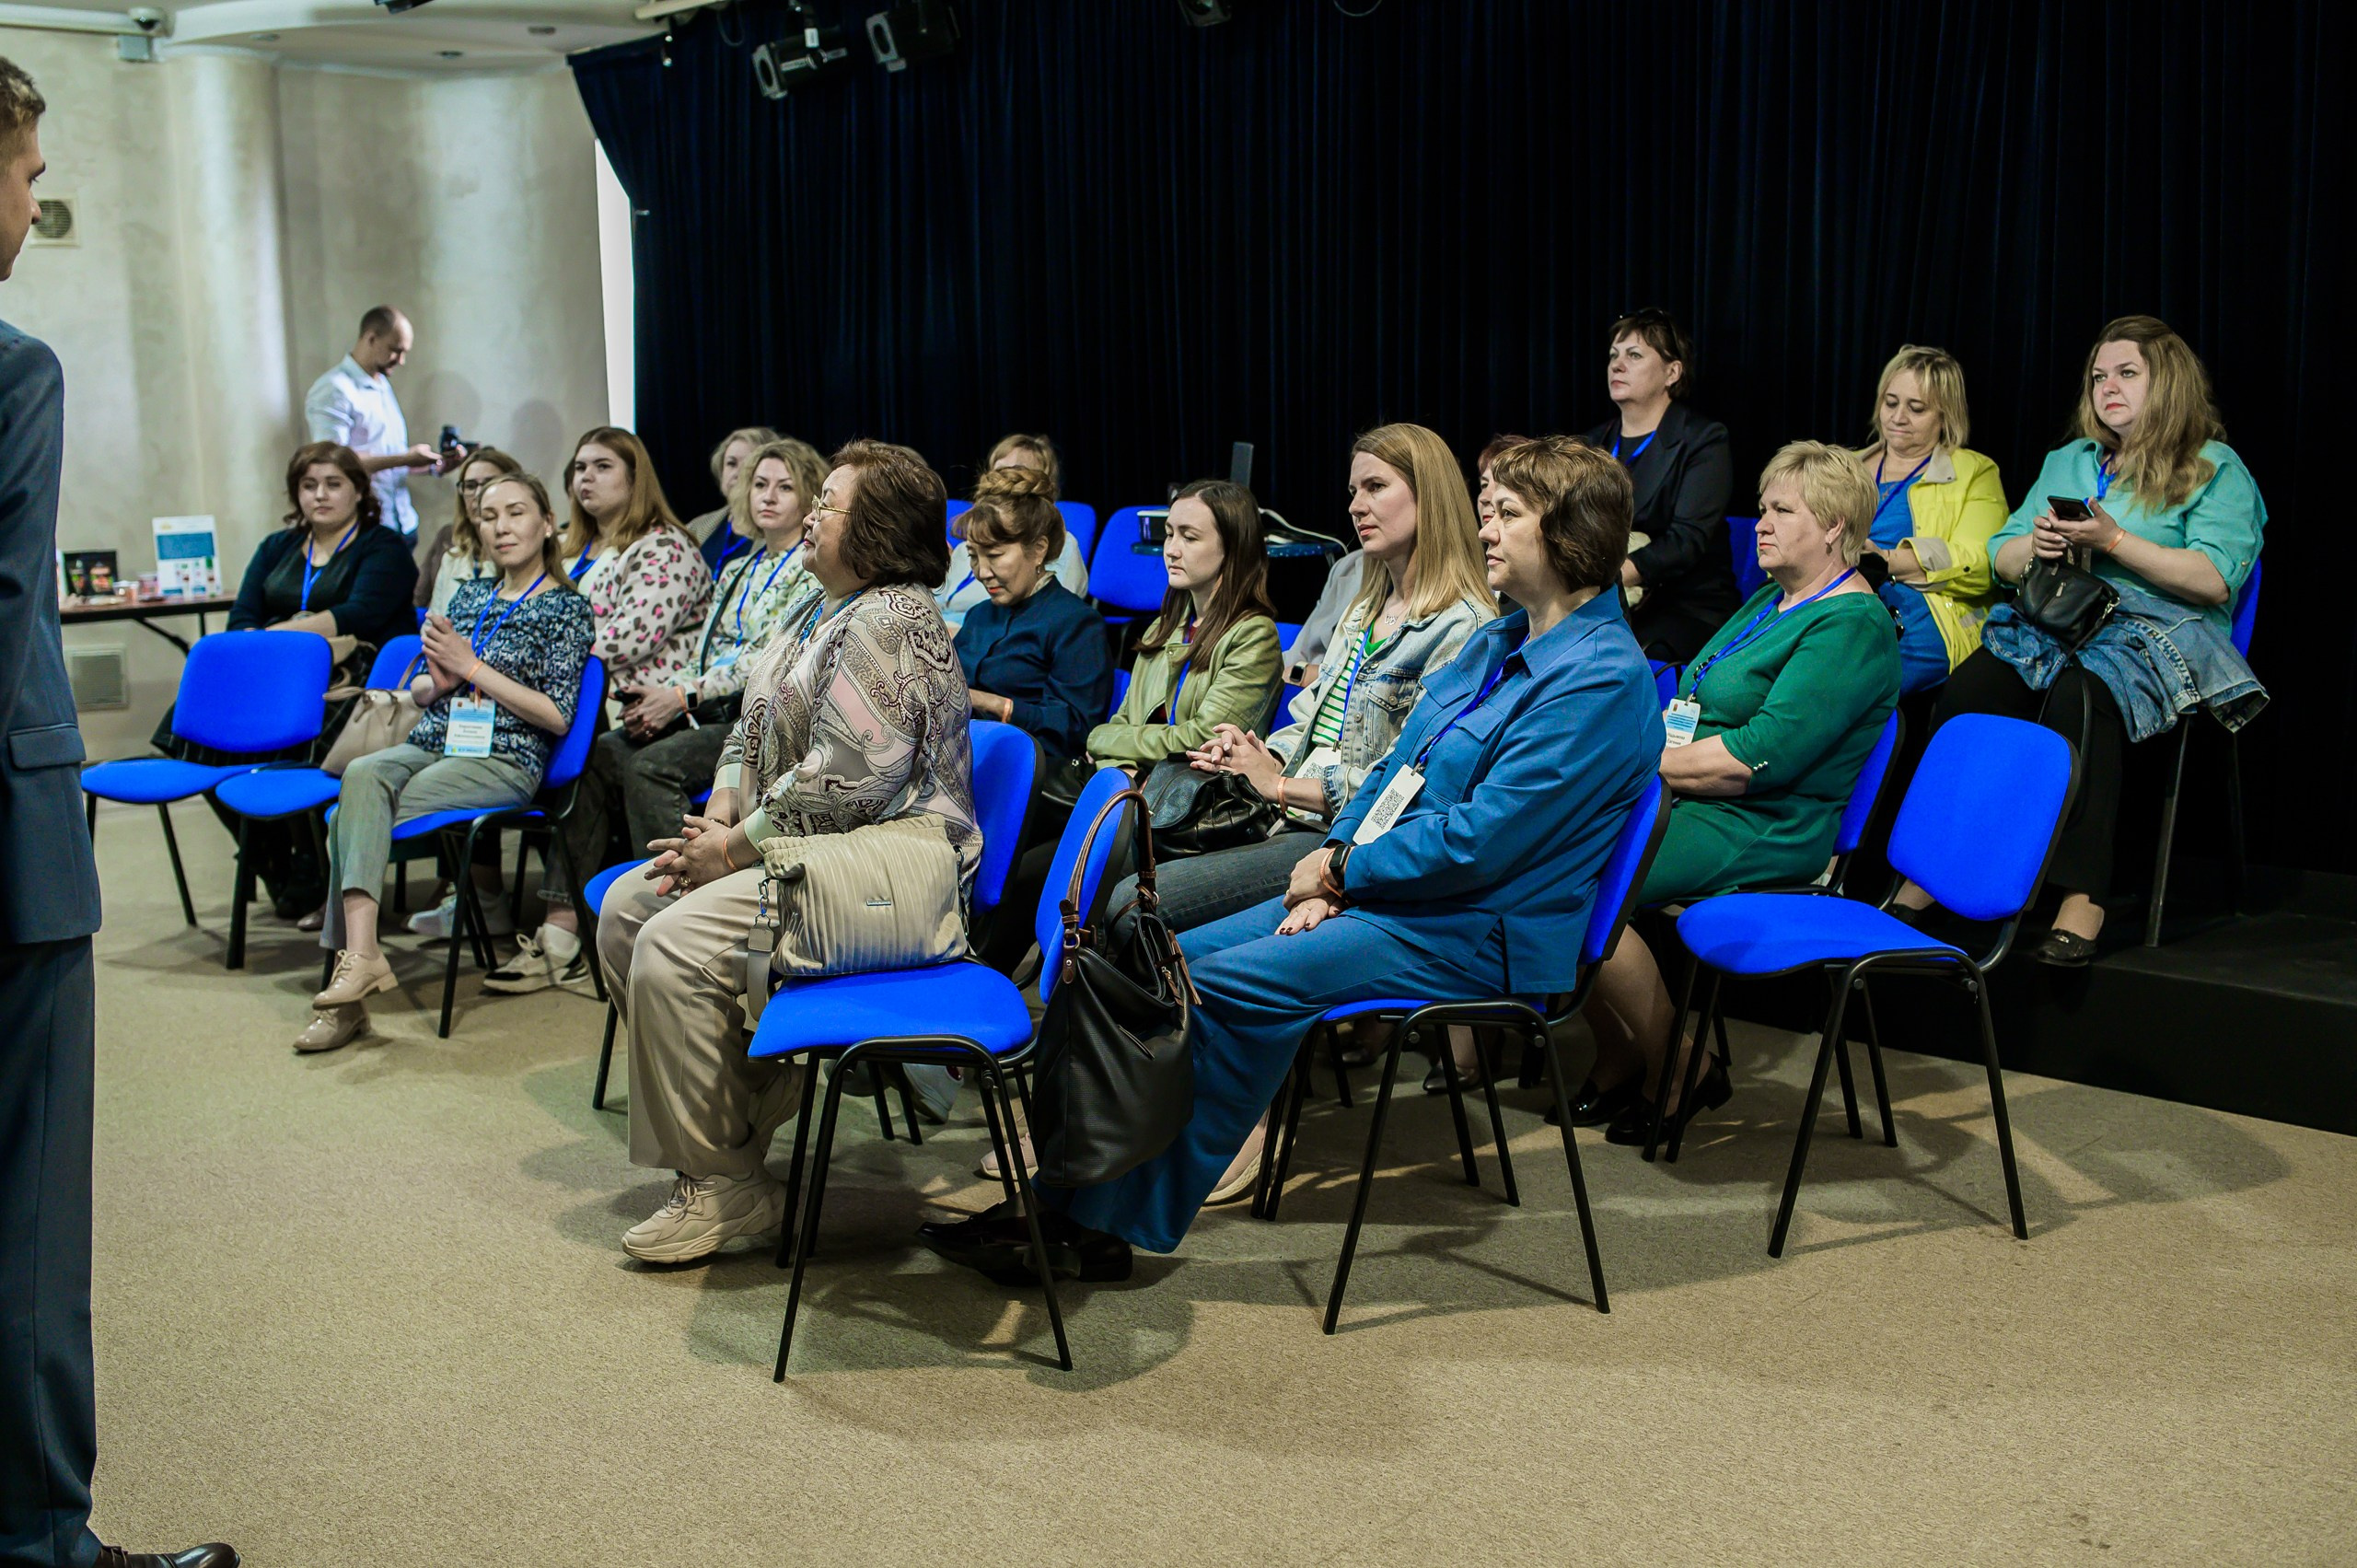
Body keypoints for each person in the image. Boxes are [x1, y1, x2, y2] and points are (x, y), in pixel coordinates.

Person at [937, 436, 1661, 1269]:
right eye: (1487, 510)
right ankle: (1065, 1198)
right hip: (1404, 895)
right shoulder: (1502, 640)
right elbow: (1396, 770)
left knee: (1207, 986)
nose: (1486, 528)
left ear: (1568, 532)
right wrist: (1336, 864)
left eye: (1507, 513)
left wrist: (1344, 871)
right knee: (1159, 957)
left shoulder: (1598, 676)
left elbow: (1481, 843)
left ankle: (1092, 1225)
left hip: (1478, 930)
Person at [0, 58, 238, 1568]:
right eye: (29, 173)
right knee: (26, 1224)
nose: (34, 205)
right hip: (8, 865)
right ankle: (38, 1537)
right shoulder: (13, 369)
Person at [595, 440, 979, 1264]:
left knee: (671, 942)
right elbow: (751, 721)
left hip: (890, 864)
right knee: (628, 911)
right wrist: (724, 799)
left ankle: (722, 1177)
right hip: (807, 847)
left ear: (877, 531)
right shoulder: (818, 605)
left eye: (828, 504)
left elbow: (848, 782)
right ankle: (739, 1134)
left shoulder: (894, 619)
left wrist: (730, 851)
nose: (809, 514)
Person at [1891, 316, 2266, 964]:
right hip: (2061, 620)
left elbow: (2211, 579)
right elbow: (2000, 554)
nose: (2107, 387)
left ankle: (2082, 892)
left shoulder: (2213, 466)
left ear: (2167, 382)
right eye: (2098, 376)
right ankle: (1940, 867)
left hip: (2158, 633)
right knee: (1974, 687)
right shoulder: (2071, 460)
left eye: (2127, 373)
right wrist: (2033, 547)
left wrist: (2114, 540)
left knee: (2079, 695)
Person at [1579, 442, 1900, 1146]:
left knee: (1579, 879)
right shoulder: (1770, 599)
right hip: (1693, 795)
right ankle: (1622, 1050)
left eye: (1782, 510)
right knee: (1547, 851)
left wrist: (1638, 766)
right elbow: (1693, 699)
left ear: (1835, 526)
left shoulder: (1852, 624)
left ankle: (1679, 1064)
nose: (1761, 523)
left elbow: (1762, 754)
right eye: (1762, 508)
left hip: (1764, 821)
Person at [509, 436, 830, 996]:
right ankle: (564, 934)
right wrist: (668, 695)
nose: (768, 496)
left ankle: (681, 911)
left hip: (755, 716)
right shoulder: (737, 566)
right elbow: (707, 651)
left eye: (785, 487)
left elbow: (767, 660)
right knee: (601, 754)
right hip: (705, 705)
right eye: (760, 484)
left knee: (650, 766)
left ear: (809, 499)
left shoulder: (810, 570)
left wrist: (682, 695)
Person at [299, 472, 594, 1053]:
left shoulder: (567, 607)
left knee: (349, 821)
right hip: (436, 737)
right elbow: (428, 691)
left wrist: (472, 667)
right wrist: (437, 683)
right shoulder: (469, 596)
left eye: (516, 513)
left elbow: (558, 716)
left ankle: (347, 996)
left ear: (547, 524)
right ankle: (362, 957)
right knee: (361, 775)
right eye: (488, 516)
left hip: (504, 757)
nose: (501, 527)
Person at [487, 427, 713, 989]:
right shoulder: (568, 548)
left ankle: (596, 933)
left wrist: (528, 663)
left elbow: (628, 636)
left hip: (643, 707)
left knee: (586, 763)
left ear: (635, 478)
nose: (585, 478)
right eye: (579, 468)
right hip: (570, 704)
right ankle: (519, 917)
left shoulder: (664, 547)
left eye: (602, 466)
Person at [1085, 479, 1281, 769]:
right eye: (1169, 534)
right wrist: (1125, 773)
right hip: (1133, 781)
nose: (1171, 550)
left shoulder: (1254, 636)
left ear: (1232, 548)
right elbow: (1124, 721)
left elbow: (1202, 739)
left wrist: (1098, 738)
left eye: (1189, 537)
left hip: (1191, 790)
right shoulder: (1163, 627)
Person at [1582, 308, 1737, 660]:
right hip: (1606, 597)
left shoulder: (1704, 440)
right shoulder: (1592, 445)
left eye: (1634, 355)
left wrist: (1607, 579)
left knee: (1607, 656)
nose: (1617, 365)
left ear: (1672, 372)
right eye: (1614, 355)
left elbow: (1686, 540)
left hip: (1686, 606)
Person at [1853, 346, 2008, 693]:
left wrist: (1884, 560)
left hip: (1918, 617)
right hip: (1834, 605)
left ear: (1945, 415)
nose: (1898, 417)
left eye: (1916, 408)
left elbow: (1981, 563)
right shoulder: (1844, 467)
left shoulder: (1974, 471)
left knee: (1846, 682)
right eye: (1891, 403)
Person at [952, 463, 1112, 761]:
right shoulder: (979, 616)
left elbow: (1077, 729)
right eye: (973, 556)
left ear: (1039, 549)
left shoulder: (1077, 623)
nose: (981, 572)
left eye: (995, 555)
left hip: (1031, 771)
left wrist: (993, 704)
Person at [226, 441, 420, 652]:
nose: (320, 495)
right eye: (309, 486)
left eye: (333, 485)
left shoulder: (386, 547)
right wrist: (256, 644)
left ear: (359, 491)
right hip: (276, 660)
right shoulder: (276, 546)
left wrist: (271, 638)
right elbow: (242, 616)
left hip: (360, 663)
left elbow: (359, 615)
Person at [303, 304, 440, 539]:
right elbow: (333, 463)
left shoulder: (381, 384)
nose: (401, 360)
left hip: (402, 521)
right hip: (367, 526)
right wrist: (405, 458)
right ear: (371, 338)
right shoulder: (334, 389)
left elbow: (384, 459)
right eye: (395, 350)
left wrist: (434, 466)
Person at [936, 433, 1089, 633]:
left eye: (1015, 472)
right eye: (998, 472)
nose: (1004, 482)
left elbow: (1056, 619)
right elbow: (938, 603)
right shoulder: (968, 546)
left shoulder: (1063, 547)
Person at [413, 446, 526, 618]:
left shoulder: (526, 559)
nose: (479, 494)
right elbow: (431, 624)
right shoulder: (452, 558)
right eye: (470, 486)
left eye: (489, 484)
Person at [685, 425, 779, 575]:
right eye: (731, 464)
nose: (738, 473)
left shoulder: (780, 532)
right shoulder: (696, 527)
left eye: (749, 464)